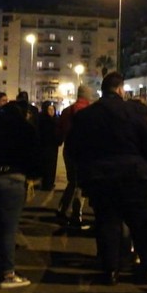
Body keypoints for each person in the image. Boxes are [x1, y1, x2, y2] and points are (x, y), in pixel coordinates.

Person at [67, 72, 147, 285]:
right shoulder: (136, 111)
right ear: (120, 89)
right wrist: (146, 168)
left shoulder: (86, 115)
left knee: (107, 223)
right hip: (135, 176)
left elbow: (74, 148)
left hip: (101, 177)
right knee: (141, 225)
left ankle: (110, 270)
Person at [0, 100, 41, 288]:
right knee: (8, 228)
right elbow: (34, 158)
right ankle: (7, 273)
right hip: (13, 178)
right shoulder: (25, 129)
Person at [56, 85, 94, 227]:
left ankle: (62, 209)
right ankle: (76, 214)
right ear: (87, 95)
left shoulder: (67, 110)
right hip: (83, 151)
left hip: (69, 149)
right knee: (80, 184)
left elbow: (59, 131)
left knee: (72, 182)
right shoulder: (89, 110)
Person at [38, 101, 60, 191]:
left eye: (53, 109)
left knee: (52, 165)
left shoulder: (56, 120)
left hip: (53, 145)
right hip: (45, 145)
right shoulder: (42, 120)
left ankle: (50, 183)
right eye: (49, 109)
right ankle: (46, 183)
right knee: (46, 165)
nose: (51, 111)